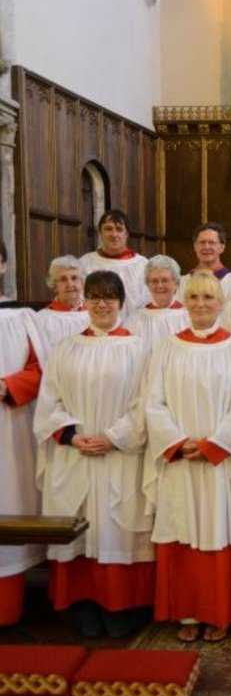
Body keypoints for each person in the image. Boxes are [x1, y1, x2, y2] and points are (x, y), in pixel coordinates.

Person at [34, 271, 153, 638]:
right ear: (86, 301)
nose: (102, 304)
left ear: (121, 302)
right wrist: (72, 435)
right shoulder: (66, 348)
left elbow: (146, 405)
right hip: (76, 455)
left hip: (119, 454)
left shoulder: (139, 348)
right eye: (96, 297)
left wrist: (114, 437)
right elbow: (48, 401)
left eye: (110, 297)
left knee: (116, 528)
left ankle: (121, 607)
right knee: (79, 526)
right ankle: (83, 604)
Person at [144, 271, 231, 643]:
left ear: (221, 303)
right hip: (180, 459)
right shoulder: (167, 347)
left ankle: (221, 612)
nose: (200, 305)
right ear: (185, 302)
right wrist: (177, 442)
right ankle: (188, 612)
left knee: (218, 531)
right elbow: (153, 401)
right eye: (193, 298)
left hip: (219, 460)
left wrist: (213, 444)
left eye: (208, 298)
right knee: (184, 531)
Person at [0, 307, 45, 625]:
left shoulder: (20, 318)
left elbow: (40, 369)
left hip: (9, 427)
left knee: (9, 499)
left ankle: (7, 609)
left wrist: (7, 386)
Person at [79, 210, 149, 321]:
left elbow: (149, 302)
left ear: (126, 234)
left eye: (119, 229)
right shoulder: (85, 263)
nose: (114, 234)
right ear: (100, 233)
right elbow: (80, 301)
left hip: (134, 329)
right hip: (96, 329)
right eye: (108, 229)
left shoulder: (143, 265)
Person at [128, 255, 188, 354]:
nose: (159, 286)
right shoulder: (135, 319)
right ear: (147, 284)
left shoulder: (187, 317)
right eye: (154, 281)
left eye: (165, 280)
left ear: (176, 283)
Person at [33, 256, 89, 360]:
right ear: (54, 286)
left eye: (74, 278)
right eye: (63, 279)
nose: (70, 284)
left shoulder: (95, 316)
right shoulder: (41, 319)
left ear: (82, 282)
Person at [178, 222, 231, 302]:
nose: (206, 247)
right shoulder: (182, 283)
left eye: (211, 242)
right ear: (195, 247)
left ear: (222, 247)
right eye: (202, 242)